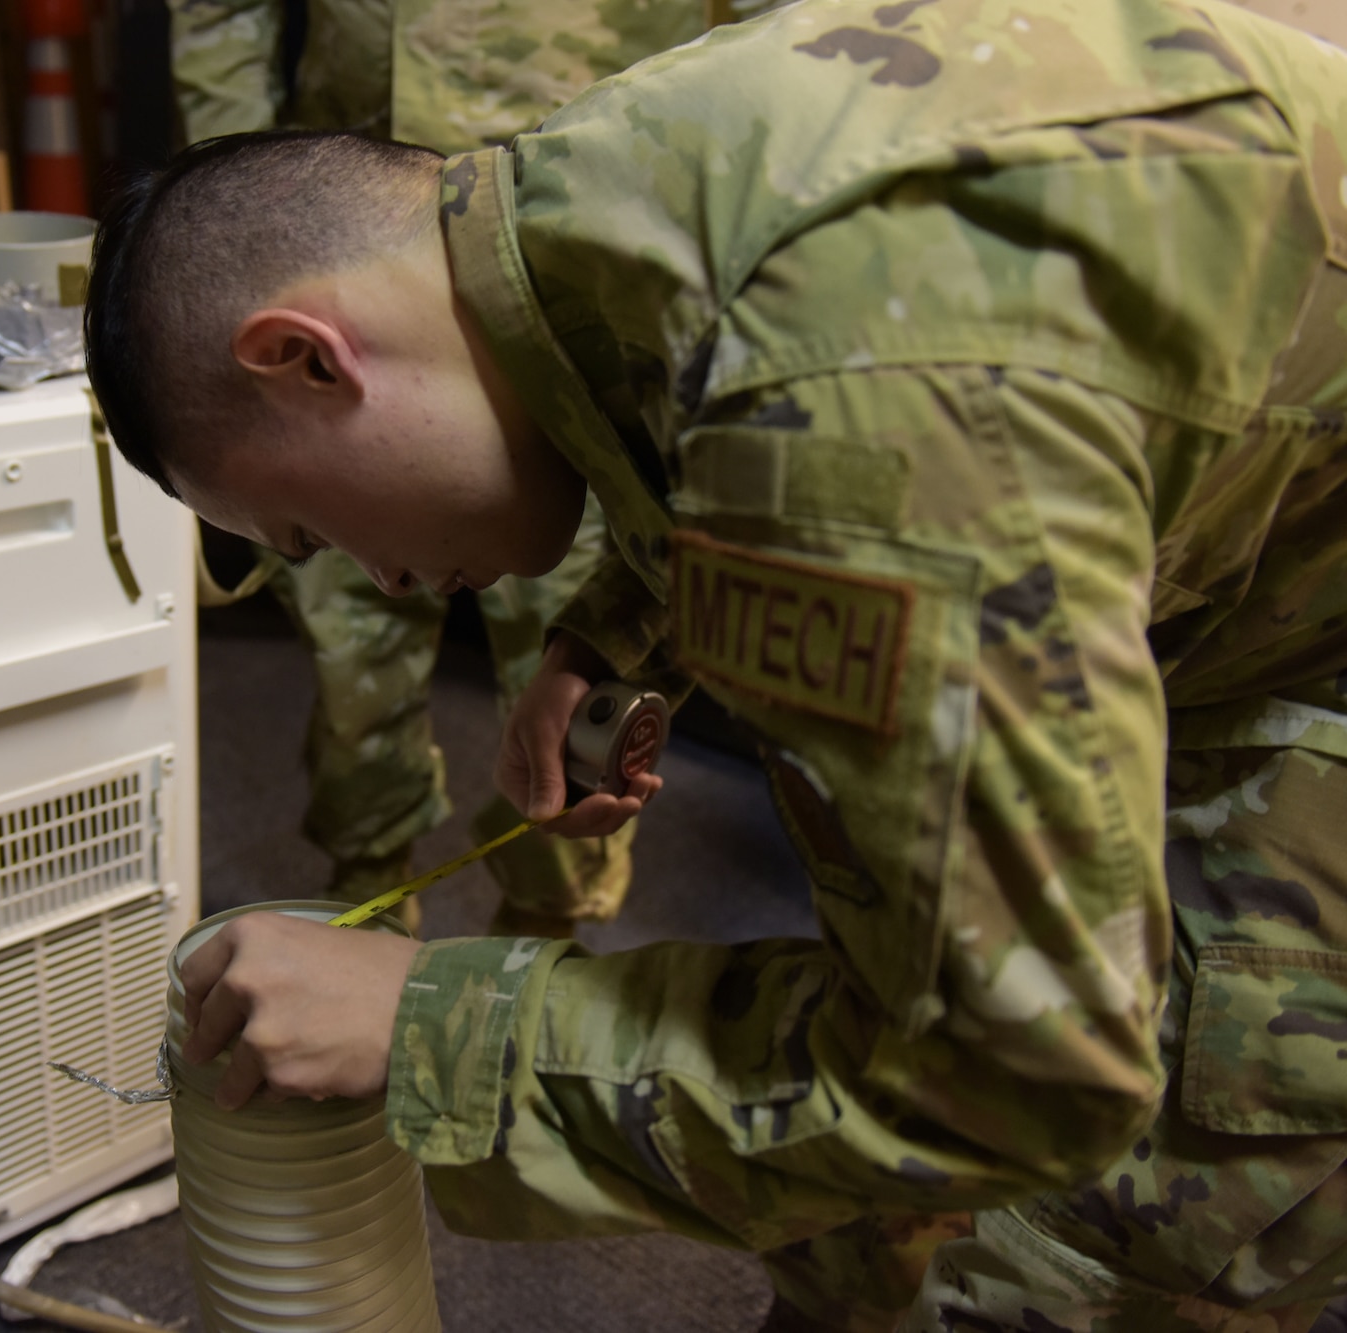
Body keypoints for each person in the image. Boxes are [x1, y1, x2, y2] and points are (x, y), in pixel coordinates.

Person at [87, 0, 1347, 1327]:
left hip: (1299, 647)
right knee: (853, 1137)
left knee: (1101, 1241)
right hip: (1241, 535)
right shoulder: (589, 184)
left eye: (309, 529)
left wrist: (440, 1022)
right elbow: (692, 391)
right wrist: (617, 632)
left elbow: (1019, 1069)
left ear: (305, 358)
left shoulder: (858, 398)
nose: (381, 579)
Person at [167, 0, 787, 935]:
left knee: (576, 705)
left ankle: (538, 949)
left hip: (601, 203)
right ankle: (364, 921)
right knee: (361, 662)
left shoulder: (744, 311)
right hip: (347, 218)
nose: (386, 567)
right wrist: (253, 216)